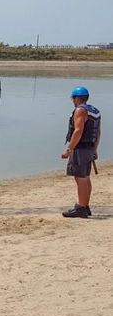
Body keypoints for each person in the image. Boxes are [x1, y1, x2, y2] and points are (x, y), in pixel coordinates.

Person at [61, 86, 102, 218]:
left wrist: (69, 149)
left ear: (77, 98)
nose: (73, 101)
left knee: (80, 177)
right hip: (89, 147)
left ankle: (82, 208)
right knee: (85, 176)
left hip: (81, 148)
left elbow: (78, 131)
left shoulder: (80, 110)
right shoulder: (94, 111)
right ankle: (85, 205)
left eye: (73, 99)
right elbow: (98, 132)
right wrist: (95, 148)